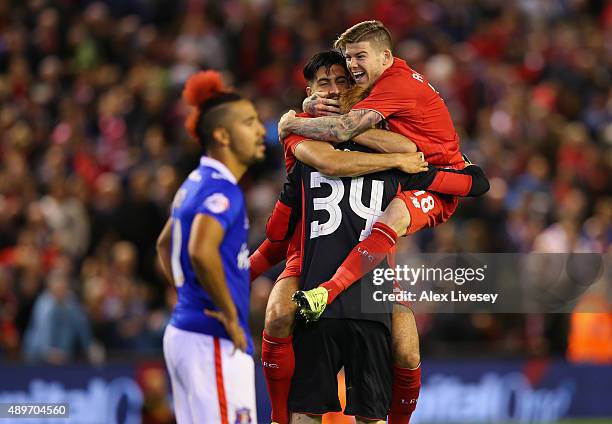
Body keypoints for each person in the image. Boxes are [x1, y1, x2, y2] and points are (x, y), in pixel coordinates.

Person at [255, 51, 488, 424]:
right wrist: (393, 159)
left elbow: (445, 167)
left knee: (408, 349)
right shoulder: (297, 130)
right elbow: (331, 163)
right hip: (311, 254)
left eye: (341, 81)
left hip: (372, 265)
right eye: (323, 84)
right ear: (309, 92)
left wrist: (362, 132)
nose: (332, 91)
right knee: (279, 314)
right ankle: (278, 418)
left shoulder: (382, 131)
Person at [156, 70, 266, 424]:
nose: (261, 130)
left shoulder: (194, 181)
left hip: (186, 333)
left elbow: (165, 242)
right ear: (222, 135)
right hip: (213, 340)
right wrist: (232, 318)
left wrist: (188, 295)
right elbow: (200, 251)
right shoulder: (223, 189)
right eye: (249, 122)